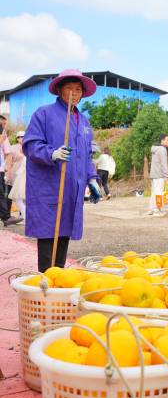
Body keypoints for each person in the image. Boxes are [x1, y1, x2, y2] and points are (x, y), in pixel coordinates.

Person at [22, 69, 102, 272]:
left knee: (65, 232)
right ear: (59, 90)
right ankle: (45, 281)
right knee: (49, 233)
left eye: (78, 89)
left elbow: (86, 155)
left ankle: (58, 278)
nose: (74, 93)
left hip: (72, 189)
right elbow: (31, 145)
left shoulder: (84, 122)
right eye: (69, 88)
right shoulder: (44, 114)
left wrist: (92, 179)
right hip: (50, 186)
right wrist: (52, 154)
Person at [0, 117, 21, 226]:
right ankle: (6, 217)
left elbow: (7, 154)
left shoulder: (4, 137)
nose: (3, 127)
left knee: (2, 194)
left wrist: (6, 169)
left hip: (1, 170)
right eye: (1, 124)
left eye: (4, 124)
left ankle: (6, 217)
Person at [148, 134, 168, 216]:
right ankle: (156, 210)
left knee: (154, 192)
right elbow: (164, 164)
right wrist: (166, 176)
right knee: (158, 193)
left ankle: (151, 209)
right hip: (159, 174)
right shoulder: (162, 149)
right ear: (162, 140)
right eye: (167, 140)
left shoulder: (155, 148)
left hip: (154, 174)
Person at [7, 130, 26, 223]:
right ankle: (11, 215)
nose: (20, 138)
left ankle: (22, 216)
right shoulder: (13, 148)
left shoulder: (28, 147)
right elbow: (9, 161)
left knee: (24, 195)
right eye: (19, 137)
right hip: (15, 172)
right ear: (17, 138)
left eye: (22, 136)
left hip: (25, 173)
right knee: (16, 195)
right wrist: (8, 173)